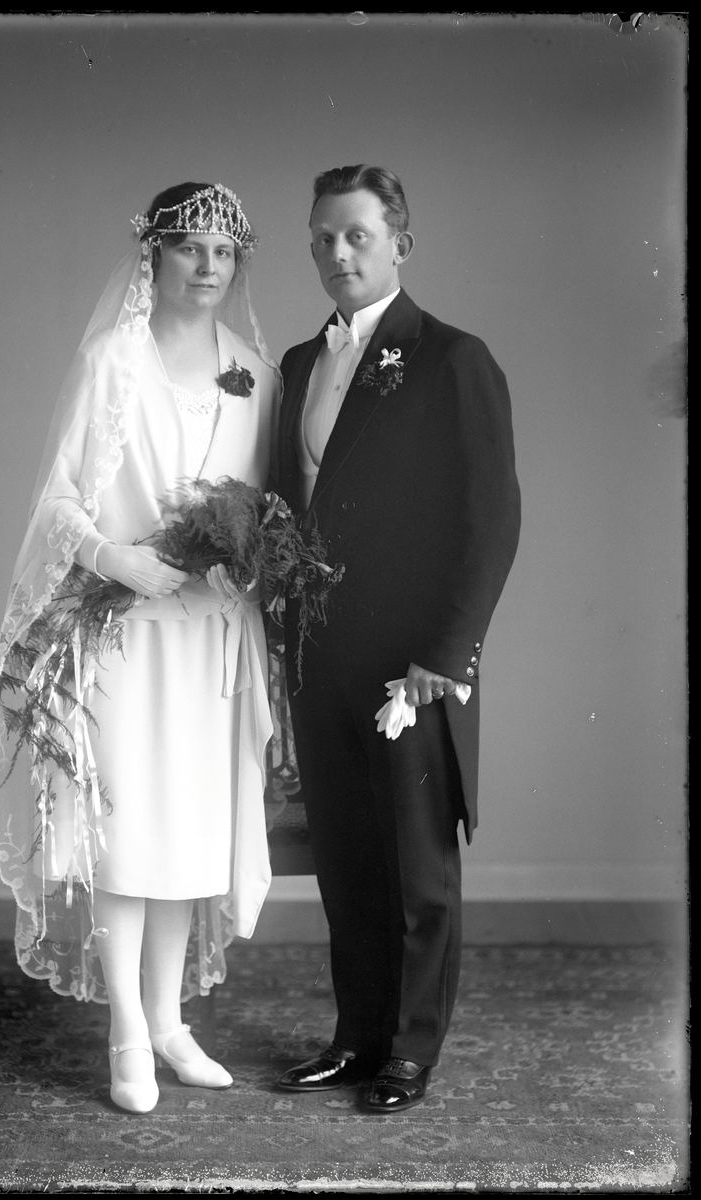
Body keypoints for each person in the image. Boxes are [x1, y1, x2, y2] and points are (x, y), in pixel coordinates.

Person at [0, 182, 281, 1114]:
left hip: (208, 643)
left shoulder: (254, 372)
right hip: (123, 638)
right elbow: (57, 498)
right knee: (126, 837)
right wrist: (115, 558)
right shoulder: (113, 360)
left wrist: (243, 566)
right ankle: (124, 1034)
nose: (207, 267)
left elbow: (262, 507)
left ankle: (168, 1023)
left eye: (223, 252)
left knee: (186, 838)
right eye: (189, 247)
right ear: (153, 255)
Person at [273, 165, 520, 1112]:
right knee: (346, 860)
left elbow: (491, 522)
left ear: (399, 245)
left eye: (356, 236)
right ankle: (356, 1038)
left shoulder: (453, 359)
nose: (336, 252)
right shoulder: (301, 361)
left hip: (411, 665)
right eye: (321, 238)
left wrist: (443, 659)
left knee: (418, 869)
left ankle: (410, 1052)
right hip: (321, 657)